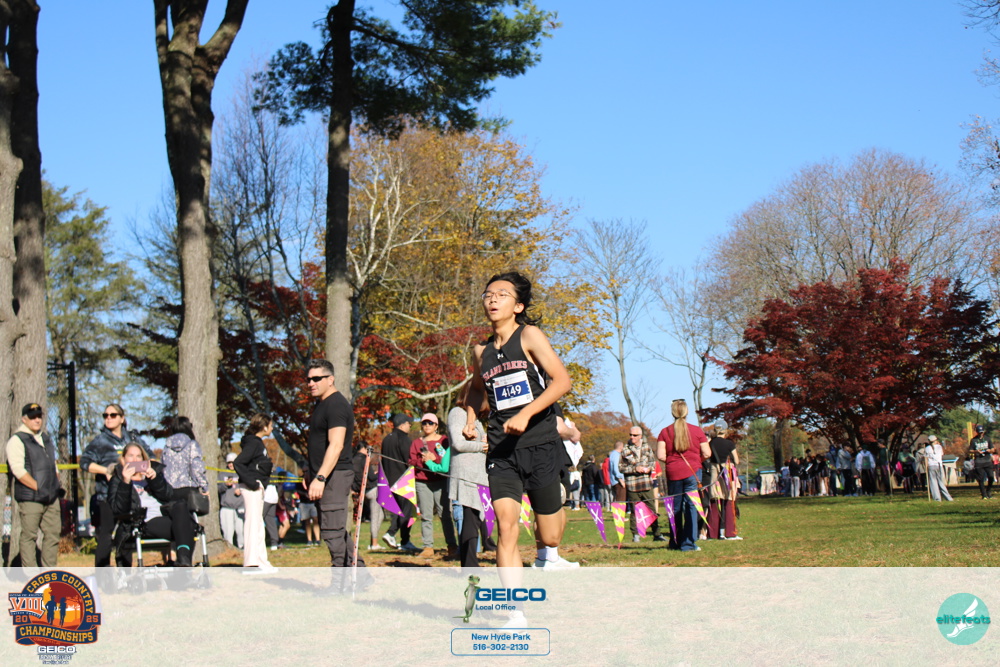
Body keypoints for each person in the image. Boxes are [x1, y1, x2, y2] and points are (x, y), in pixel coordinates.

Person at [463, 270, 577, 582]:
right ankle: (512, 605)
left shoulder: (529, 336)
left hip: (540, 443)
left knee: (550, 537)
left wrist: (526, 414)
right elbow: (476, 390)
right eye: (488, 294)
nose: (493, 299)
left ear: (518, 306)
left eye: (502, 295)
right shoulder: (480, 351)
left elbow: (562, 381)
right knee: (506, 527)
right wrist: (471, 419)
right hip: (502, 450)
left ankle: (554, 511)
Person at [305, 359, 371, 591]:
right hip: (325, 476)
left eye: (317, 378)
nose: (311, 383)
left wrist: (321, 477)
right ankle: (360, 575)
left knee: (332, 532)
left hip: (335, 476)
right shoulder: (321, 405)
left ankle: (339, 584)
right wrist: (309, 473)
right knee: (335, 530)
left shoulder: (336, 405)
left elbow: (336, 445)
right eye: (309, 379)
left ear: (330, 379)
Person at [80, 403, 152, 567]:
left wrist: (142, 471)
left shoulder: (132, 439)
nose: (108, 418)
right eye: (105, 415)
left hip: (130, 495)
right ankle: (102, 572)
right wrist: (106, 470)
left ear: (122, 418)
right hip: (106, 495)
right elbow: (84, 463)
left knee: (126, 532)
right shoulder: (100, 441)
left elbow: (150, 457)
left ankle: (124, 571)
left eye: (113, 415)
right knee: (105, 534)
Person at [108, 442, 197, 567]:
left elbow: (169, 496)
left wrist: (155, 479)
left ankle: (183, 560)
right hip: (142, 521)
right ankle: (183, 563)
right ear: (123, 460)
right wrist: (126, 482)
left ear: (143, 459)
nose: (135, 460)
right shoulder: (117, 479)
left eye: (138, 456)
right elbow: (118, 509)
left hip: (166, 515)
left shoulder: (151, 474)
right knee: (188, 526)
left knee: (181, 505)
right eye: (130, 456)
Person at [6, 403, 62, 567]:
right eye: (32, 417)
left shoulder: (46, 438)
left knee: (53, 534)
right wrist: (38, 487)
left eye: (39, 416)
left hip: (51, 497)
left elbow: (53, 464)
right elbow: (18, 470)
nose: (37, 420)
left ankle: (49, 573)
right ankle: (31, 576)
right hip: (31, 497)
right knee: (29, 536)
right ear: (24, 419)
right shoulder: (17, 440)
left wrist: (55, 483)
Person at [656, 399, 710, 552]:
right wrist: (696, 461)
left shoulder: (665, 432)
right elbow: (707, 453)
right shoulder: (697, 431)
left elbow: (660, 455)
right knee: (692, 506)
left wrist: (673, 462)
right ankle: (688, 543)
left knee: (675, 507)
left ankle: (675, 541)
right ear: (687, 412)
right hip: (692, 472)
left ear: (672, 413)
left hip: (673, 473)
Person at [447, 401, 491, 568]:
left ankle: (470, 563)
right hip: (466, 474)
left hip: (478, 474)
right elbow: (458, 443)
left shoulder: (475, 419)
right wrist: (483, 446)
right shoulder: (458, 413)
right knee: (470, 518)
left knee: (474, 518)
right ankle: (469, 565)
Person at [409, 413, 457, 559]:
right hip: (422, 482)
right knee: (426, 516)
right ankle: (428, 547)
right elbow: (411, 462)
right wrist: (422, 461)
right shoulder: (416, 443)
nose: (427, 426)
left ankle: (452, 546)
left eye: (430, 423)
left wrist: (434, 458)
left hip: (441, 481)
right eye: (424, 423)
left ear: (436, 426)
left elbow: (447, 461)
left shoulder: (444, 441)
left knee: (445, 515)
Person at [233, 413, 276, 574]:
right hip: (251, 488)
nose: (271, 428)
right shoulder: (253, 443)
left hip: (257, 488)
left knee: (258, 525)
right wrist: (252, 483)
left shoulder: (257, 443)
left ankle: (261, 561)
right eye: (270, 425)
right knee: (252, 524)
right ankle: (251, 564)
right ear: (264, 427)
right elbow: (238, 462)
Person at [380, 413, 417, 551]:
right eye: (408, 424)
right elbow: (409, 459)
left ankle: (401, 539)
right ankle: (395, 534)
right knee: (406, 510)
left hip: (389, 479)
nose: (410, 426)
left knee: (398, 510)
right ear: (402, 425)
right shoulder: (404, 439)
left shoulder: (386, 439)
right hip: (403, 479)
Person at [621, 426, 664, 542]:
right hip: (632, 485)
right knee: (635, 511)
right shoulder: (625, 449)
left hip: (646, 484)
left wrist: (649, 468)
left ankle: (657, 534)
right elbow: (621, 468)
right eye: (630, 435)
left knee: (652, 510)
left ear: (640, 436)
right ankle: (635, 535)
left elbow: (653, 463)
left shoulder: (647, 447)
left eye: (635, 435)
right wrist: (635, 469)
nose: (632, 437)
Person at [161, 416, 209, 510]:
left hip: (170, 490)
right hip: (188, 489)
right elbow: (197, 468)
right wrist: (205, 487)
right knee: (189, 517)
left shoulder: (166, 447)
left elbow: (162, 468)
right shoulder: (192, 444)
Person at [704, 421, 741, 540]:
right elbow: (736, 460)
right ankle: (730, 533)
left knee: (714, 502)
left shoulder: (710, 443)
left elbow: (705, 456)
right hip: (727, 474)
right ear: (726, 430)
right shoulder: (729, 444)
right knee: (729, 502)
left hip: (714, 475)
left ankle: (712, 534)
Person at [351, 443, 383, 551]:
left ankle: (373, 541)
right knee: (375, 516)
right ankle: (374, 543)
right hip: (372, 489)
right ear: (364, 448)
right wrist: (377, 473)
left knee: (380, 515)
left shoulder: (353, 459)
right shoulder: (364, 459)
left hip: (361, 490)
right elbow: (371, 476)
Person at [218, 453, 244, 548]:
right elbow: (218, 489)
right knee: (228, 531)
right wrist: (225, 485)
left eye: (232, 462)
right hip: (227, 507)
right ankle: (229, 548)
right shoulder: (222, 474)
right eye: (229, 462)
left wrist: (241, 490)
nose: (230, 464)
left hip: (240, 506)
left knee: (241, 530)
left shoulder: (242, 473)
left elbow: (248, 486)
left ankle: (242, 547)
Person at [968, 423, 995, 500]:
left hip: (987, 461)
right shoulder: (973, 440)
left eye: (982, 432)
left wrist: (989, 450)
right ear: (977, 432)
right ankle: (984, 495)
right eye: (979, 432)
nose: (981, 434)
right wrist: (976, 451)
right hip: (979, 462)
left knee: (991, 477)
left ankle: (988, 491)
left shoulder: (987, 439)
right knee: (981, 479)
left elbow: (993, 449)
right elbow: (970, 450)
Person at [924, 435, 953, 502]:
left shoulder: (927, 448)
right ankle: (948, 498)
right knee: (940, 482)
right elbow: (941, 454)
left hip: (931, 465)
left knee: (933, 482)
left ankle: (937, 498)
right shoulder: (939, 447)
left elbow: (925, 457)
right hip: (938, 465)